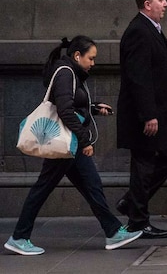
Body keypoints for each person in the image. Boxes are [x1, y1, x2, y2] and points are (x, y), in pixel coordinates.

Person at [4, 36, 142, 256]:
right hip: (67, 143)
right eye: (91, 58)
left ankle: (113, 231)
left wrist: (94, 108)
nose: (93, 63)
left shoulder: (71, 72)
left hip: (70, 143)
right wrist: (85, 140)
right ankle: (19, 237)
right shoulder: (66, 73)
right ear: (78, 56)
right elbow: (65, 110)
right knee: (43, 189)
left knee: (92, 185)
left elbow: (71, 104)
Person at [115, 0, 167, 239]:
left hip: (158, 111)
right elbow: (138, 76)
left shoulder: (150, 29)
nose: (166, 4)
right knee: (143, 165)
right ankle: (137, 220)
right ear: (147, 4)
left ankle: (133, 204)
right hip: (145, 116)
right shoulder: (139, 32)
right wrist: (148, 115)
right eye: (161, 0)